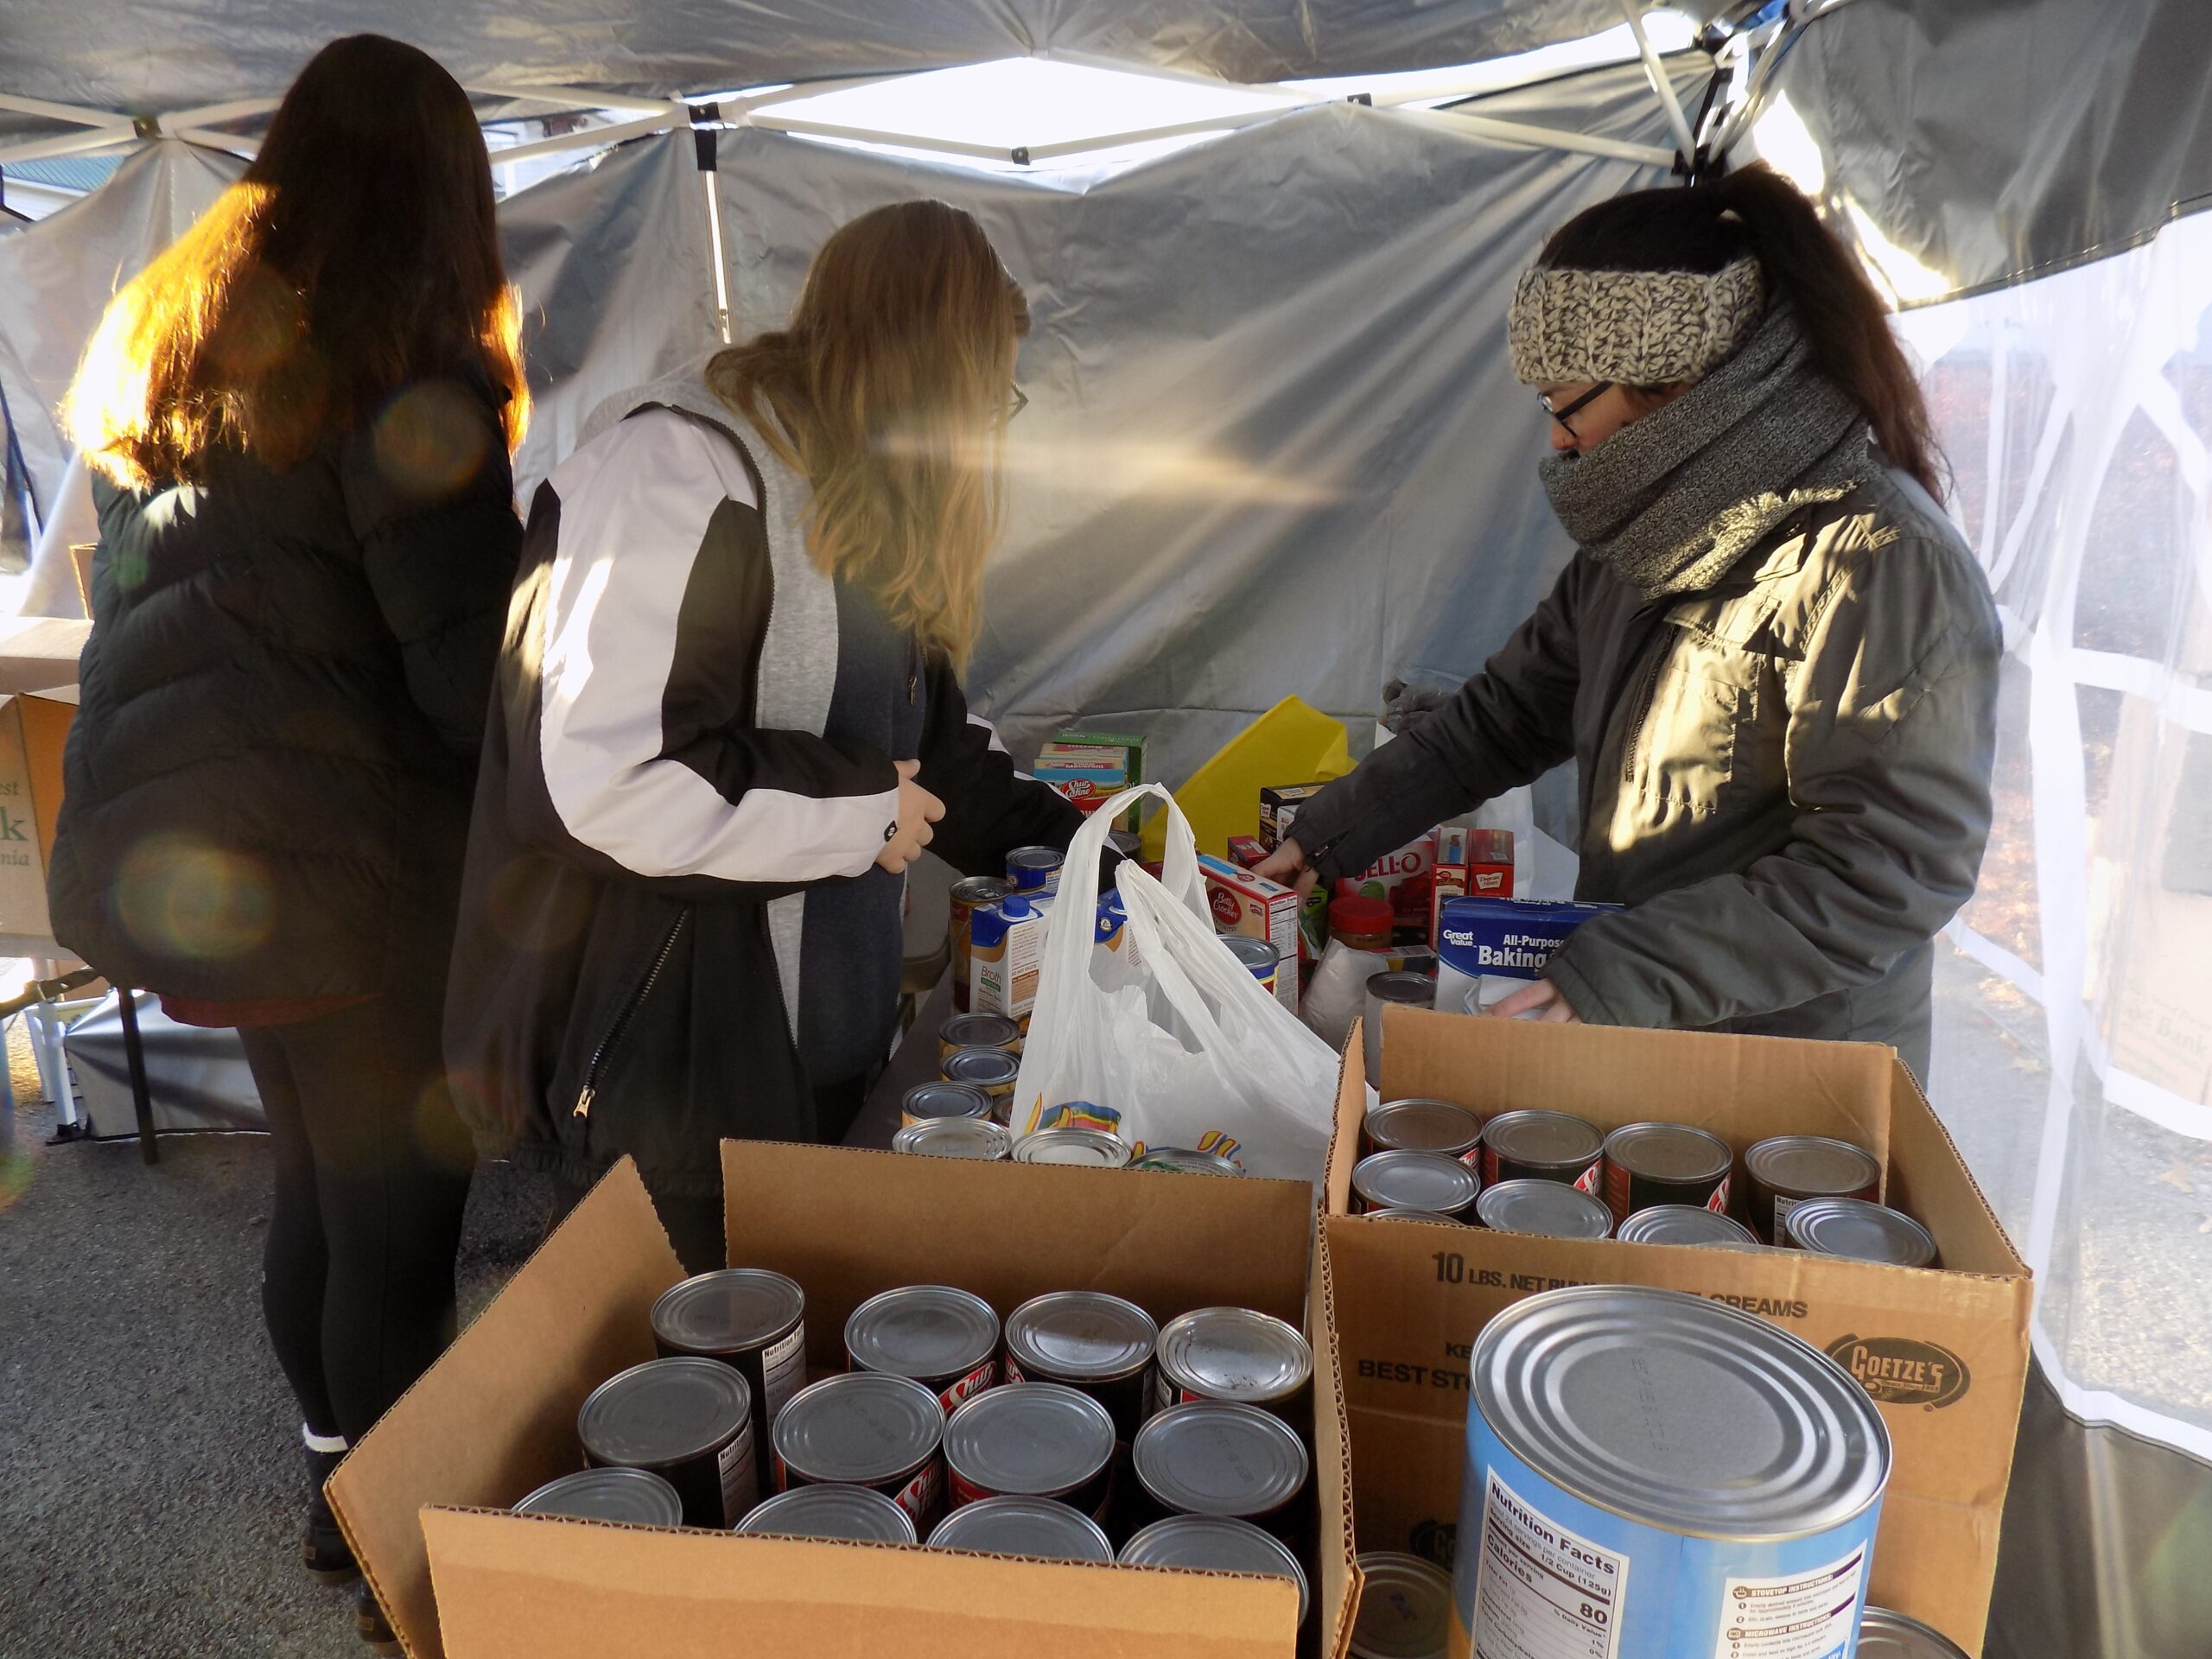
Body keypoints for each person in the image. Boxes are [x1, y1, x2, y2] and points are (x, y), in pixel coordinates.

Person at [50, 35, 527, 1651]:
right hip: (352, 877)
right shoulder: (405, 364)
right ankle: (413, 1564)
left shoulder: (178, 350)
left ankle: (339, 1494)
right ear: (440, 197)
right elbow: (464, 669)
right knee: (394, 1219)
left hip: (198, 868)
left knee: (317, 1191)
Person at [443, 200, 1087, 1272]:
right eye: (991, 397)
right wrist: (861, 811)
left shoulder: (860, 498)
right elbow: (603, 782)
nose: (991, 430)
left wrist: (1112, 860)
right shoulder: (677, 466)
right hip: (676, 1064)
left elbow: (940, 755)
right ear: (929, 376)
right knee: (691, 1375)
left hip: (819, 1035)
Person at [1260, 165, 1999, 1080]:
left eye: (1563, 406)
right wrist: (1323, 838)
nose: (1557, 443)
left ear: (1673, 380)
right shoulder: (1643, 536)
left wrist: (1619, 973)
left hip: (1791, 1071)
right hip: (1640, 1026)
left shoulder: (1874, 561)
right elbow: (1504, 717)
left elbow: (1881, 875)